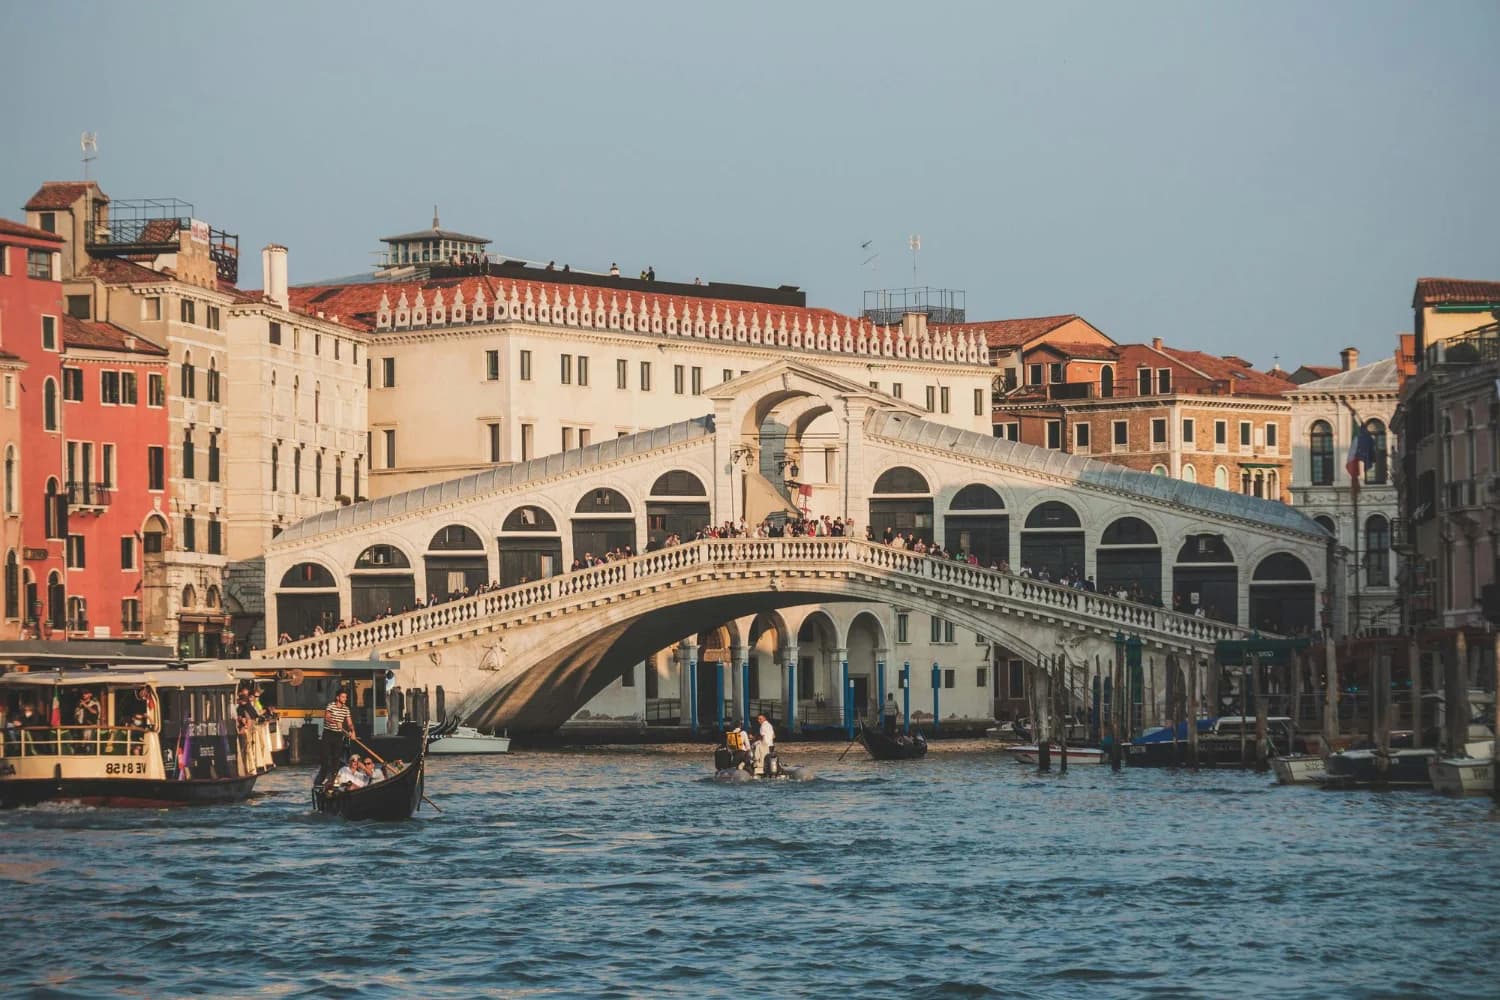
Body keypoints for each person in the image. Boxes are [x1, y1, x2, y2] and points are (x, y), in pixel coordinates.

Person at [318, 689, 356, 784]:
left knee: (336, 757)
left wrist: (352, 731)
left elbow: (350, 723)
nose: (345, 699)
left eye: (346, 697)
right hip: (328, 733)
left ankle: (334, 778)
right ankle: (323, 776)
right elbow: (327, 717)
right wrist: (336, 722)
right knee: (325, 757)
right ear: (337, 697)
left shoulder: (346, 709)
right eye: (343, 697)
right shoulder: (331, 705)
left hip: (338, 735)